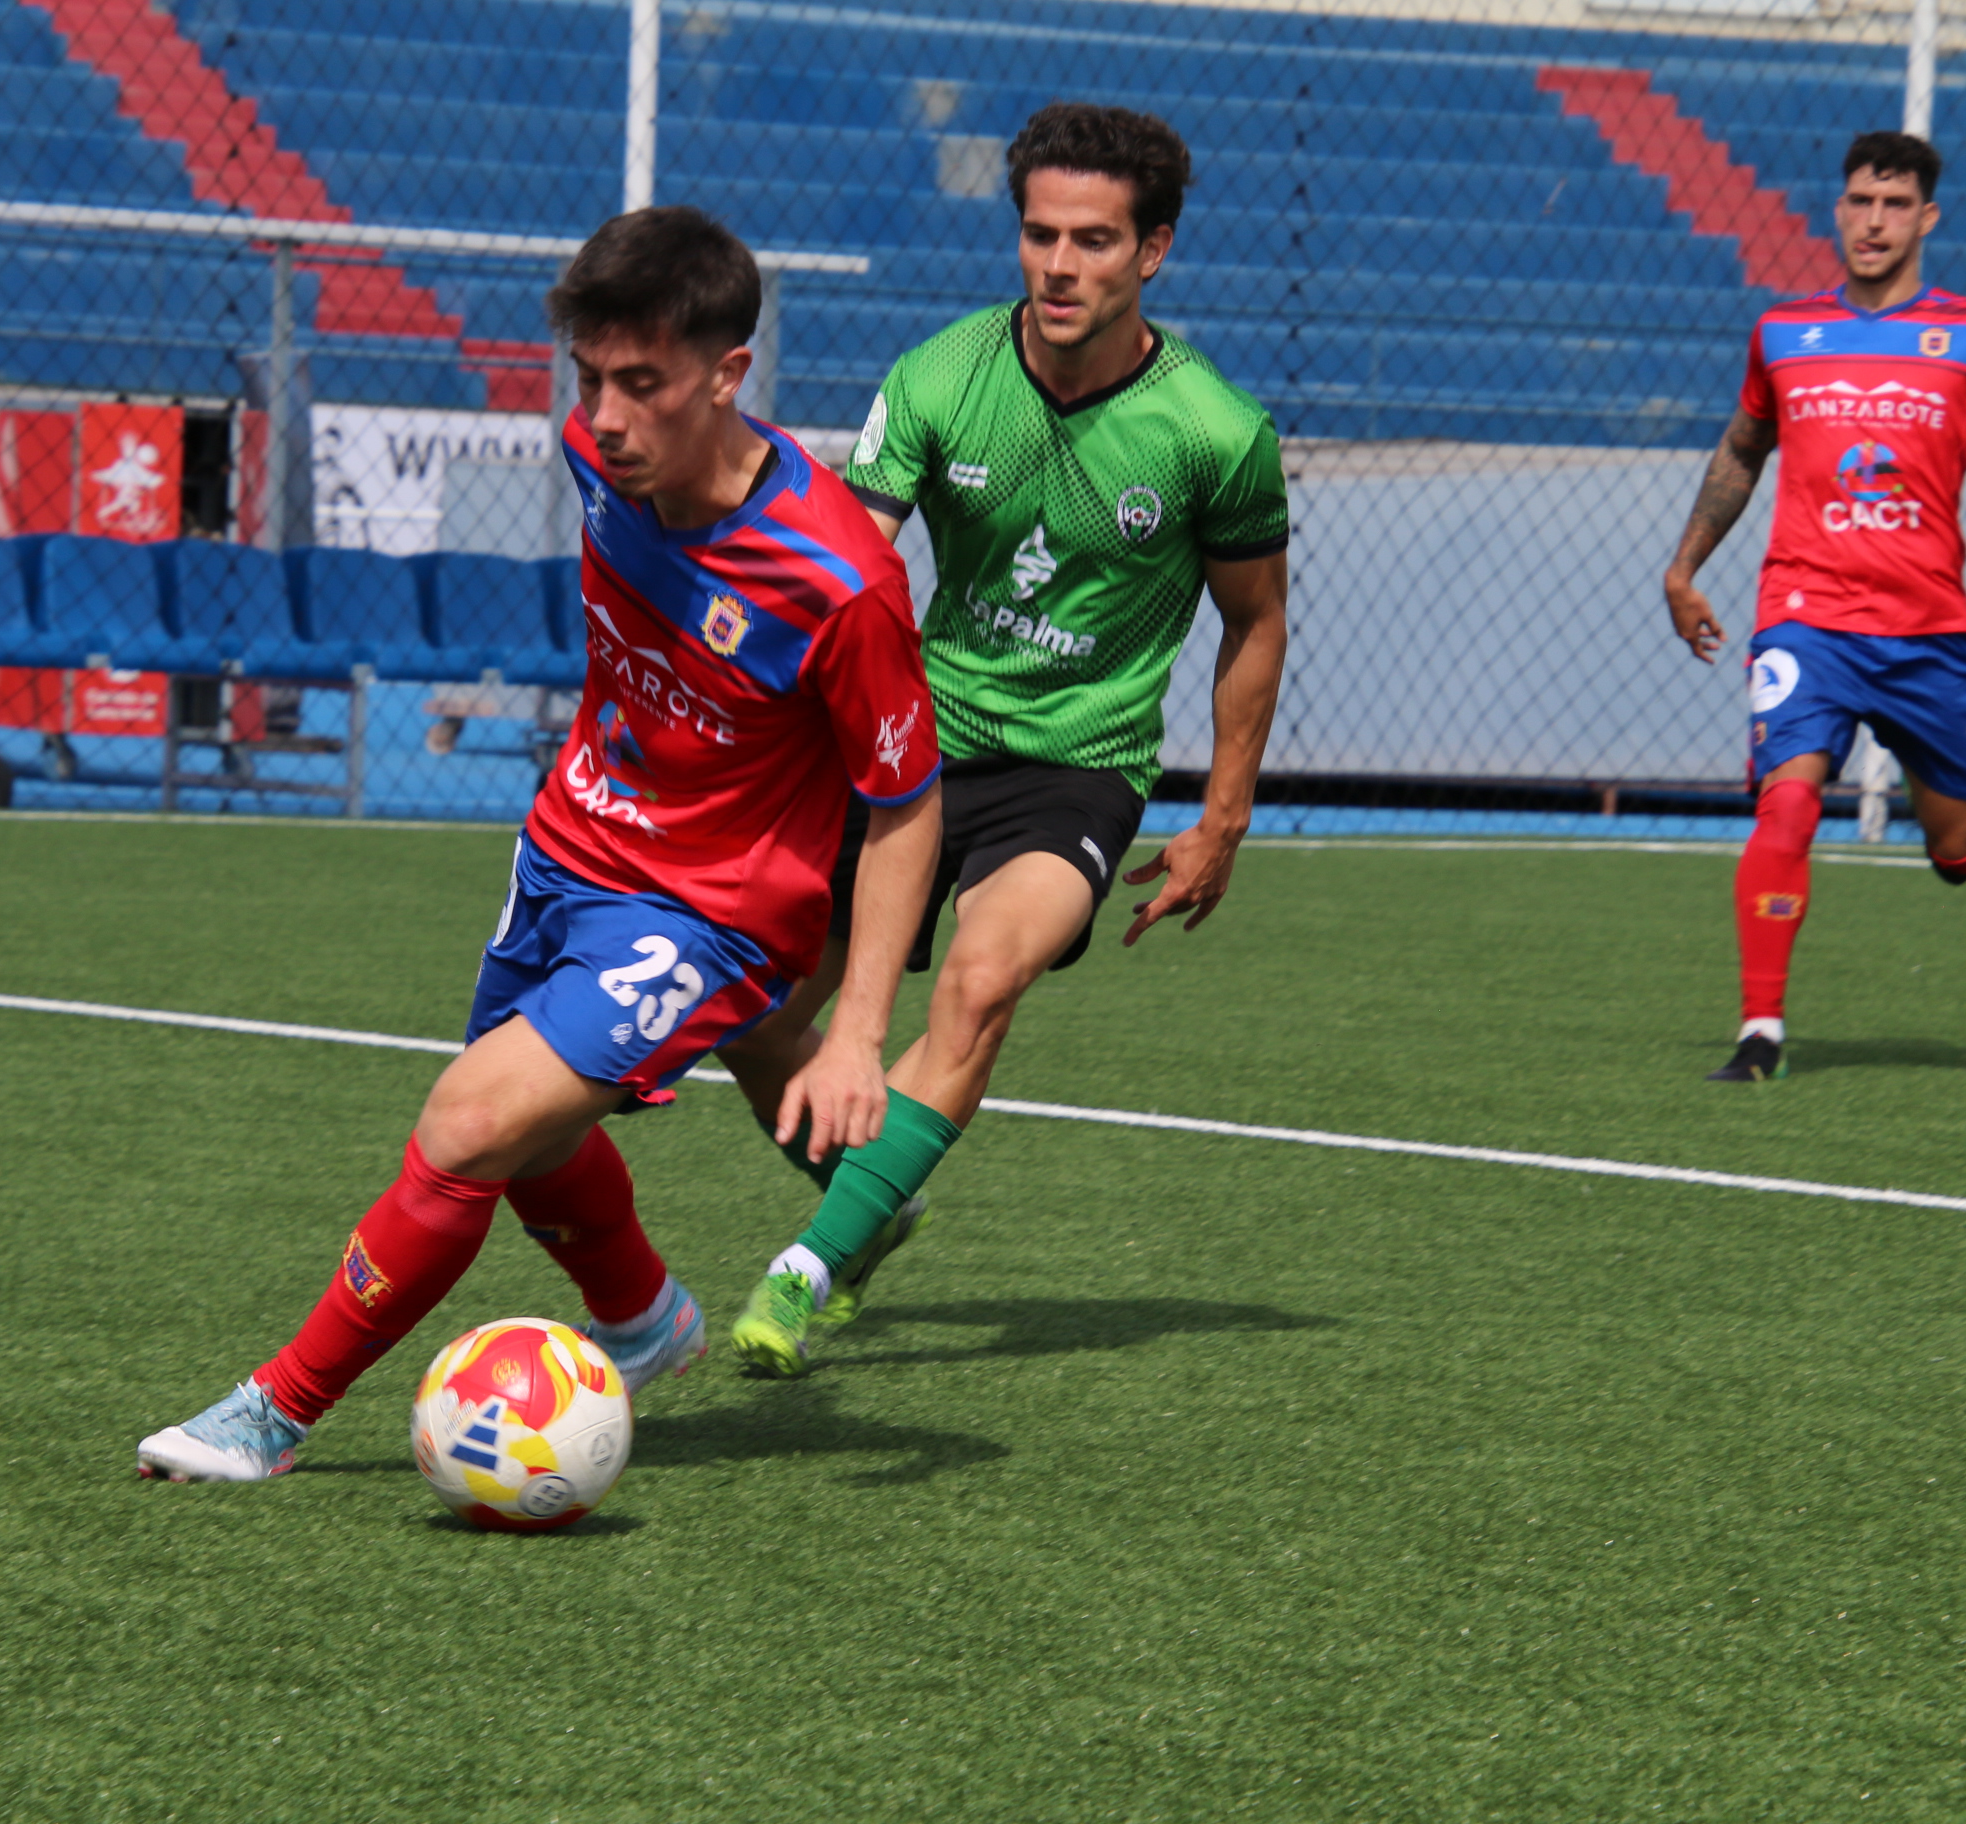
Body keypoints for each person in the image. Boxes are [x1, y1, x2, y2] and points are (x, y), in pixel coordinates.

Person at [136, 208, 943, 1479]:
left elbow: (904, 802)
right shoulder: (595, 458)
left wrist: (855, 1034)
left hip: (710, 912)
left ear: (729, 377)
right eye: (590, 380)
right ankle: (644, 1319)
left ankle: (270, 1417)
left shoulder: (837, 580)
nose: (607, 416)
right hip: (566, 851)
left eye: (644, 384)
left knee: (467, 1124)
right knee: (528, 1145)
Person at [708, 102, 1291, 1375]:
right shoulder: (938, 377)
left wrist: (1223, 818)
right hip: (914, 748)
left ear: (1156, 253)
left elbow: (1256, 623)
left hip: (1078, 769)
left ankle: (810, 1267)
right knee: (753, 1021)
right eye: (1040, 235)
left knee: (981, 980)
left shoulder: (1215, 431)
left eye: (1094, 240)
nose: (1060, 265)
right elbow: (838, 570)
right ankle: (882, 1199)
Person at [1664, 130, 1966, 1083]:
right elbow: (1742, 450)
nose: (1874, 220)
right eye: (1861, 200)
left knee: (1958, 844)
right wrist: (1685, 564)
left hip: (1928, 633)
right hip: (1805, 616)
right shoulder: (1784, 332)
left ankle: (1926, 782)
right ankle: (1762, 1034)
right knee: (1786, 808)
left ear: (1927, 218)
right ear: (1838, 209)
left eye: (1895, 206)